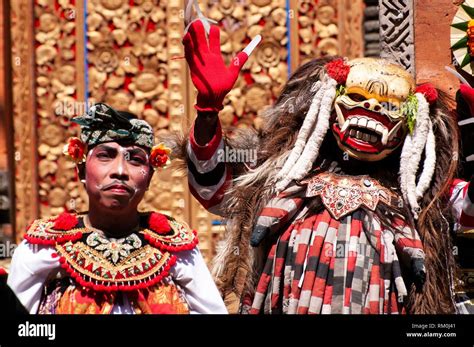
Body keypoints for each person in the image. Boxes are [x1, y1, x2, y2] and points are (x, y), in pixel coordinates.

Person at [175, 19, 465, 314]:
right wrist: (207, 113)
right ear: (327, 105)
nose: (372, 112)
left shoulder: (419, 195)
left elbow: (468, 209)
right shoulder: (283, 174)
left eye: (389, 107)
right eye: (356, 100)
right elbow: (214, 190)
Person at [7, 103, 227, 314]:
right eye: (105, 156)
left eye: (136, 160)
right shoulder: (43, 246)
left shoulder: (176, 245)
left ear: (149, 177)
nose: (120, 170)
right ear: (81, 171)